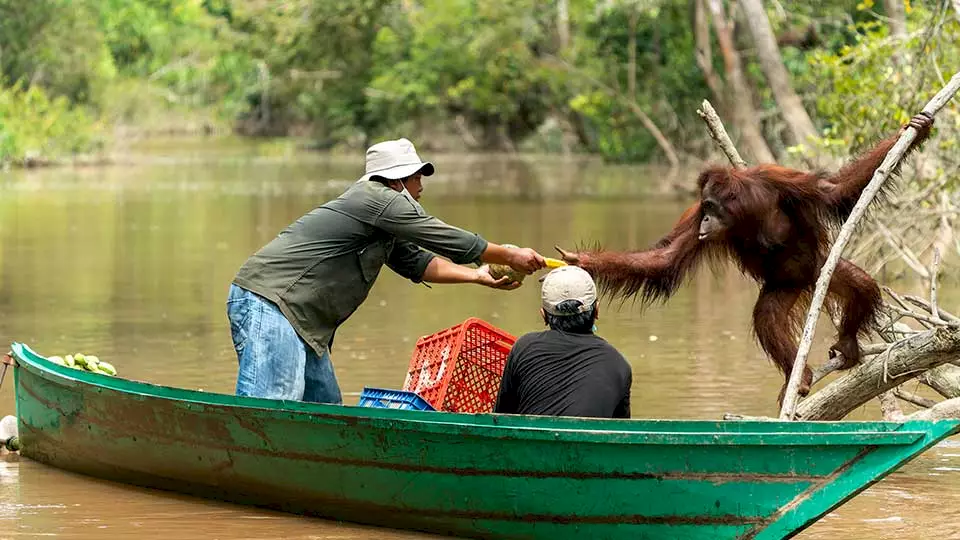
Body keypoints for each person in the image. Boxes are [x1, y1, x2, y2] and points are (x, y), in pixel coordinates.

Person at [227, 137, 546, 403]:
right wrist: (508, 254)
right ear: (396, 180)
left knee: (325, 410)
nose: (421, 186)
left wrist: (478, 276)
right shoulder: (376, 198)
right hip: (271, 302)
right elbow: (442, 237)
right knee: (273, 403)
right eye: (416, 177)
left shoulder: (383, 222)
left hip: (302, 320)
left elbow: (418, 263)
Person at [494, 265, 632, 418]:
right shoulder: (619, 364)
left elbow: (501, 418)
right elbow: (619, 431)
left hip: (532, 441)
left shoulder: (524, 347)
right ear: (597, 310)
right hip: (587, 442)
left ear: (544, 315)